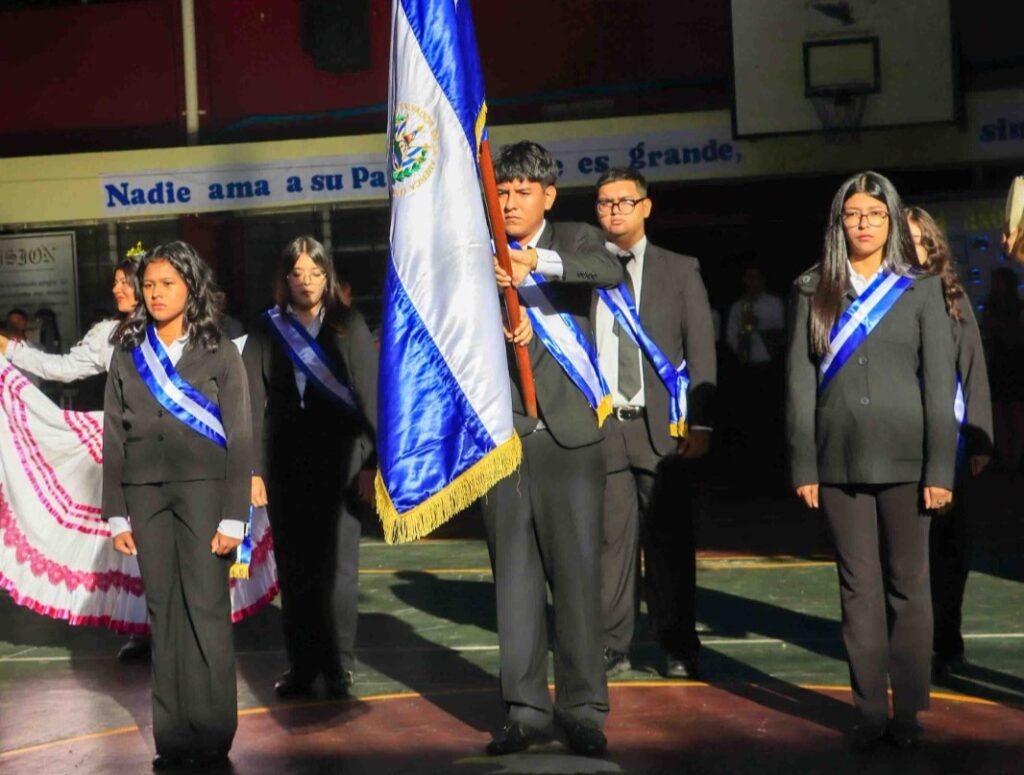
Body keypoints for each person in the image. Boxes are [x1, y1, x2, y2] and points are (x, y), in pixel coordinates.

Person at [786, 171, 957, 749]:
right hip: (837, 463)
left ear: (892, 221)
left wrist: (941, 469)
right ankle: (868, 711)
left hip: (909, 462)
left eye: (875, 216)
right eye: (853, 215)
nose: (863, 225)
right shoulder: (813, 288)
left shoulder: (921, 289)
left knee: (909, 586)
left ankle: (907, 709)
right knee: (856, 587)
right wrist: (804, 465)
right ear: (839, 222)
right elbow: (799, 386)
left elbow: (939, 386)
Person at [485, 141, 624, 758]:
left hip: (571, 436)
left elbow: (609, 272)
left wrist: (532, 265)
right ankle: (523, 709)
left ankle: (583, 708)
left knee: (577, 579)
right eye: (503, 191)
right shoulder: (475, 248)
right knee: (513, 582)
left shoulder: (574, 238)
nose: (510, 201)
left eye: (521, 191)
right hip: (503, 438)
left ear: (547, 195)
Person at [103, 241, 252, 769]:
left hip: (206, 494)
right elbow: (113, 436)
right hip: (145, 497)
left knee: (206, 610)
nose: (157, 294)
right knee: (163, 613)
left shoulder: (220, 350)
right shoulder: (127, 349)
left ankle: (212, 731)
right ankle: (174, 735)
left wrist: (236, 515)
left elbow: (240, 434)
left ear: (190, 286)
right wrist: (115, 511)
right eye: (149, 286)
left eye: (167, 284)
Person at [589, 167, 716, 680]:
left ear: (646, 206)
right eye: (604, 202)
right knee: (609, 545)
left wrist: (703, 425)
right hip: (602, 428)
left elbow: (702, 351)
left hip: (664, 431)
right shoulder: (585, 268)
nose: (614, 210)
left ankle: (677, 645)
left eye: (624, 201)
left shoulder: (680, 269)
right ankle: (612, 646)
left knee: (668, 544)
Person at [0, 253, 154, 662]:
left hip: (169, 448)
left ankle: (171, 626)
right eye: (117, 280)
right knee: (134, 536)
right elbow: (63, 368)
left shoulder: (175, 328)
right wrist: (11, 351)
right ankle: (145, 627)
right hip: (125, 444)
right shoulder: (110, 333)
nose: (116, 288)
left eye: (124, 281)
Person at [243, 235, 378, 699]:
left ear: (328, 275)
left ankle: (340, 666)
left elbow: (370, 398)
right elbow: (250, 404)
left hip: (342, 464)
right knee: (296, 569)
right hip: (283, 466)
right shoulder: (266, 329)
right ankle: (302, 665)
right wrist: (253, 471)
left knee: (339, 570)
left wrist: (371, 463)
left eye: (315, 273)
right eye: (297, 274)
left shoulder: (349, 324)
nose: (306, 282)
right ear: (285, 278)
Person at [906, 207, 993, 680]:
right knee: (905, 554)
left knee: (950, 549)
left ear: (933, 246)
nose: (909, 246)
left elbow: (974, 369)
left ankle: (947, 642)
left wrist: (979, 439)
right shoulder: (878, 298)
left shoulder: (952, 298)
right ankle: (909, 644)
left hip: (951, 445)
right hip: (897, 444)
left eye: (917, 239)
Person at [981, 266, 1024, 471]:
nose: (996, 286)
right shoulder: (990, 306)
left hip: (1015, 363)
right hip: (998, 363)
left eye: (999, 281)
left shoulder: (1018, 307)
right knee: (999, 410)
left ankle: (1015, 457)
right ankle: (1005, 456)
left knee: (1015, 410)